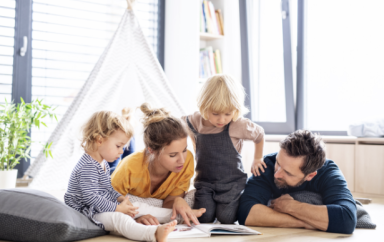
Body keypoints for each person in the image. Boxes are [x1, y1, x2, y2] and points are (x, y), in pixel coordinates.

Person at [64, 110, 177, 242]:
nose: (122, 151)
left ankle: (178, 216)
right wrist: (117, 208)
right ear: (99, 140)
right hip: (89, 214)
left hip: (101, 207)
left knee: (137, 205)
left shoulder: (102, 162)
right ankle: (153, 233)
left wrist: (120, 198)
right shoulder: (87, 167)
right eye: (118, 146)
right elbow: (91, 198)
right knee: (120, 219)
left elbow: (107, 188)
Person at [182, 74, 265, 224]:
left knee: (227, 218)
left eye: (228, 113)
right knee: (204, 218)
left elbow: (259, 134)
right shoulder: (194, 121)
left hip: (231, 184)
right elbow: (179, 124)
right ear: (204, 107)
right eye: (215, 114)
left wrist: (257, 158)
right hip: (205, 183)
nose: (222, 120)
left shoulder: (237, 124)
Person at [238, 130, 357, 234]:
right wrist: (305, 222)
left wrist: (290, 206)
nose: (277, 174)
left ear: (310, 175)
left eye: (288, 173)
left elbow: (347, 219)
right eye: (278, 163)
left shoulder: (328, 172)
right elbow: (245, 212)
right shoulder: (266, 165)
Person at [111, 103, 206, 226]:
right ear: (151, 150)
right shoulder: (129, 166)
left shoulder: (187, 160)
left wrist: (178, 200)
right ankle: (127, 123)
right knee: (115, 157)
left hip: (143, 185)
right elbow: (110, 204)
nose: (182, 160)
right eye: (173, 155)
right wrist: (135, 219)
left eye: (184, 150)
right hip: (116, 175)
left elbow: (167, 205)